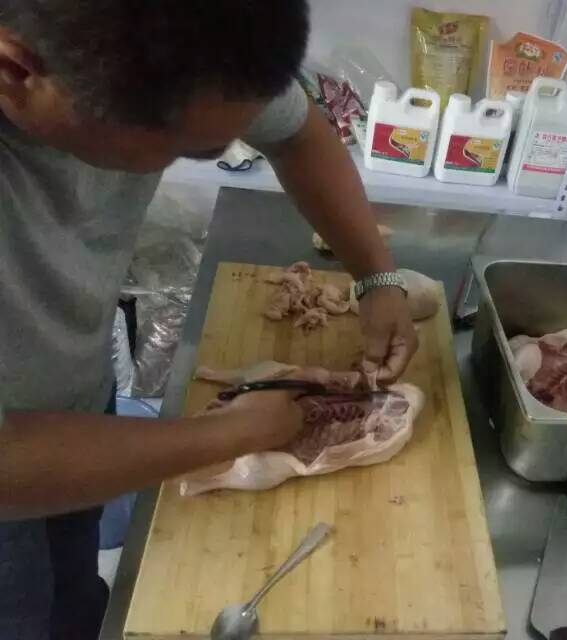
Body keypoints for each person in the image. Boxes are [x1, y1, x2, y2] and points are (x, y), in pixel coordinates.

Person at [0, 2, 418, 638]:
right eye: (191, 149)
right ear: (17, 70)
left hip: (75, 396)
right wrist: (229, 434)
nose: (220, 151)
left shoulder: (171, 46)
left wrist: (377, 277)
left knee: (75, 599)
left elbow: (298, 133)